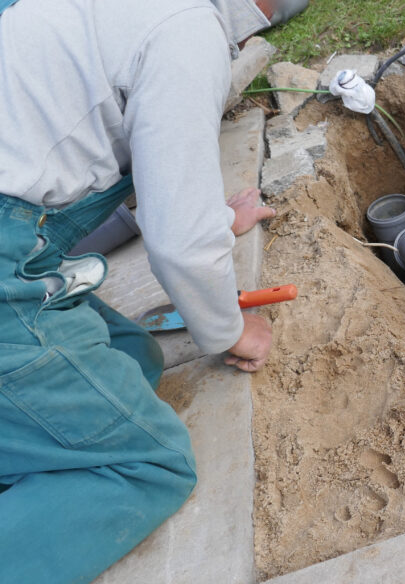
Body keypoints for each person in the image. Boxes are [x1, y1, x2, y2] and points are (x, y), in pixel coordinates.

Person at [0, 0, 295, 581]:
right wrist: (229, 329)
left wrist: (211, 216)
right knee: (145, 464)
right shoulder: (183, 31)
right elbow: (180, 244)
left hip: (21, 244)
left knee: (134, 353)